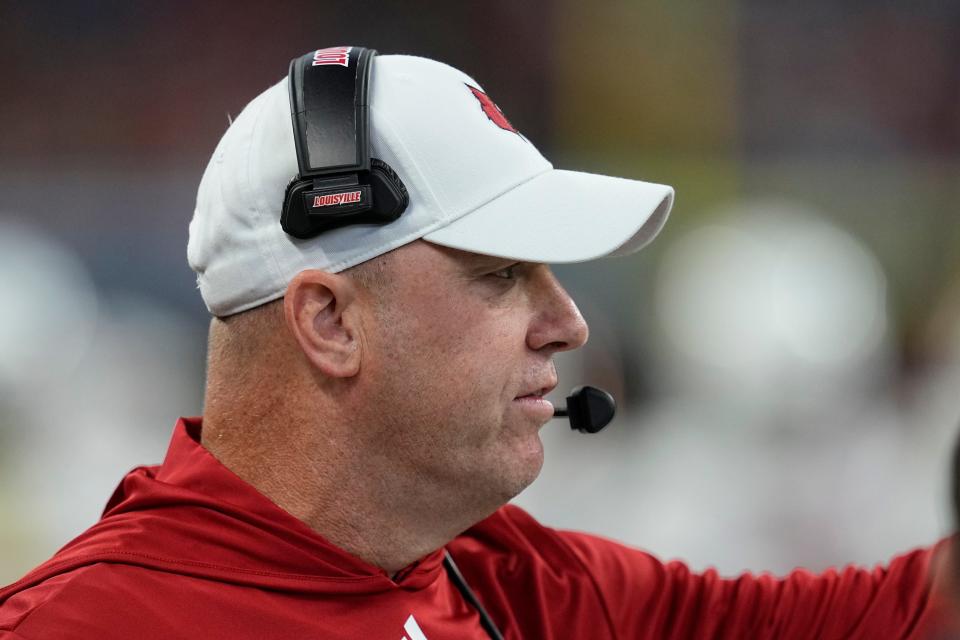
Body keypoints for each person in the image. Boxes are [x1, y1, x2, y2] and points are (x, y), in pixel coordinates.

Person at [0, 47, 956, 640]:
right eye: (502, 275)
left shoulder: (506, 575)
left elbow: (883, 616)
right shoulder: (81, 627)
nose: (569, 323)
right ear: (329, 323)